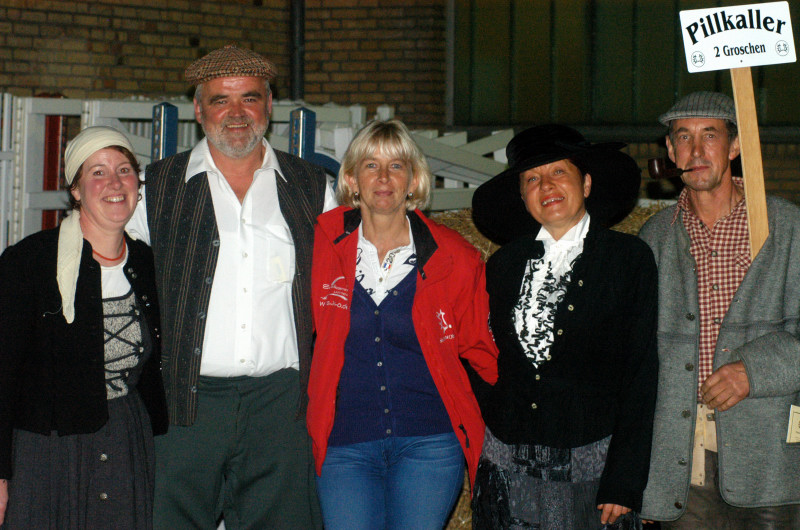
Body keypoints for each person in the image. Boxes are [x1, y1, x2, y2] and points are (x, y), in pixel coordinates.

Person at [125, 45, 335, 528]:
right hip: (185, 405)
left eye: (251, 99)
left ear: (269, 107)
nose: (236, 114)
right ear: (199, 110)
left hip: (283, 405)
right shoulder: (156, 188)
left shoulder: (311, 187)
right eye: (221, 100)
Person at [306, 119, 499, 529]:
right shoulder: (320, 247)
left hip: (429, 443)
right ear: (352, 179)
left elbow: (483, 353)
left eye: (397, 166)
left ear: (414, 181)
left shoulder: (455, 257)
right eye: (370, 165)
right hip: (344, 444)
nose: (383, 177)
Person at [469, 124, 658, 529]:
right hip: (508, 470)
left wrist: (623, 482)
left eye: (559, 172)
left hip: (592, 474)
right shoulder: (502, 265)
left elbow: (642, 374)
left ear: (586, 183)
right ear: (522, 196)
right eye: (532, 179)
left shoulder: (628, 260)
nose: (546, 186)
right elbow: (482, 355)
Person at [639, 91, 800, 528]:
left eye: (710, 135)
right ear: (670, 153)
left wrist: (756, 370)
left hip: (770, 462)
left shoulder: (787, 228)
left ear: (734, 146)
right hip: (681, 467)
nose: (696, 150)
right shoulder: (652, 240)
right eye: (683, 137)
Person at [0, 126, 168, 528]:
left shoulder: (146, 262)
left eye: (124, 170)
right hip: (48, 450)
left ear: (137, 185)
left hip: (126, 439)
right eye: (97, 172)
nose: (114, 183)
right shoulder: (29, 263)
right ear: (75, 189)